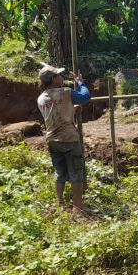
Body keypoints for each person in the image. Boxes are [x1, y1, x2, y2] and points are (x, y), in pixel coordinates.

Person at [37, 65, 92, 214]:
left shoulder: (41, 98)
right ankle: (78, 206)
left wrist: (71, 109)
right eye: (59, 75)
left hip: (52, 140)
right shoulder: (65, 92)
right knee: (76, 171)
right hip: (68, 138)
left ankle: (59, 203)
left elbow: (55, 113)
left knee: (60, 172)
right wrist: (80, 83)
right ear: (54, 80)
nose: (62, 77)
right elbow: (85, 97)